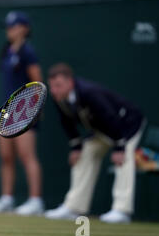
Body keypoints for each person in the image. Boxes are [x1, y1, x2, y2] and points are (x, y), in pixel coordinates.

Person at [45, 63, 146, 223]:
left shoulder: (89, 93)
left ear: (70, 82)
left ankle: (122, 211)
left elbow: (111, 118)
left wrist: (120, 146)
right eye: (52, 86)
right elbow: (67, 123)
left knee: (124, 159)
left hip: (127, 125)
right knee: (84, 155)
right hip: (102, 131)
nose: (54, 90)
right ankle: (74, 208)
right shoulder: (59, 98)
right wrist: (76, 147)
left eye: (58, 86)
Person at [0, 11, 45, 216]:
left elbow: (37, 84)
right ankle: (7, 199)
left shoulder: (28, 52)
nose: (9, 31)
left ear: (25, 29)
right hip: (6, 113)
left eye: (14, 26)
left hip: (25, 113)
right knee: (6, 157)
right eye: (8, 27)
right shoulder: (8, 51)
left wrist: (33, 112)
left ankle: (36, 201)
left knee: (27, 156)